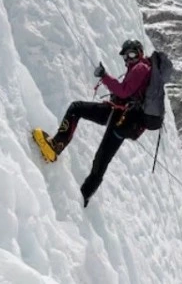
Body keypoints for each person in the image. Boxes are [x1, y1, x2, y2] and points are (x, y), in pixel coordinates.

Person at [51, 39, 152, 207]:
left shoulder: (141, 68)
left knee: (101, 158)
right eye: (126, 56)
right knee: (77, 109)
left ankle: (82, 195)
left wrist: (104, 76)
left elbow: (124, 91)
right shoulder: (137, 68)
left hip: (123, 119)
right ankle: (83, 193)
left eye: (131, 54)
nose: (128, 58)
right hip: (118, 113)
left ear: (139, 52)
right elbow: (125, 92)